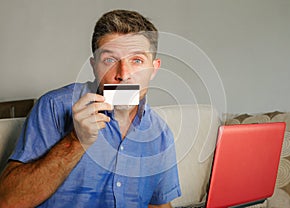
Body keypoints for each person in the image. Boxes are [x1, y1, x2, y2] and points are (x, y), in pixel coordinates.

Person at [0, 9, 181, 208]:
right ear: (94, 66)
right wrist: (76, 141)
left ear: (154, 69)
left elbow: (158, 205)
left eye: (137, 60)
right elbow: (8, 201)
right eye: (110, 60)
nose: (123, 74)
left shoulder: (161, 133)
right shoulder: (54, 107)